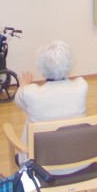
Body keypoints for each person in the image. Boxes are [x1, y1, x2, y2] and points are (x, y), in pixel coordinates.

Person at [15, 40, 88, 177]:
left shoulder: (30, 93)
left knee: (30, 121)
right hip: (79, 162)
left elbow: (20, 103)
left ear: (41, 67)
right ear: (70, 64)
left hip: (40, 166)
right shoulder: (81, 86)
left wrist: (23, 86)